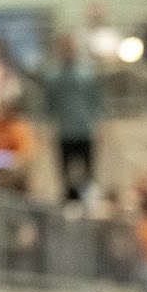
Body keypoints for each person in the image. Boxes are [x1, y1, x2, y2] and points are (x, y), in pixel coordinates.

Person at [42, 34, 102, 202]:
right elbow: (48, 105)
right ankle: (69, 201)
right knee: (65, 174)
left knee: (88, 173)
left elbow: (96, 101)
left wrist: (99, 125)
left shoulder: (87, 74)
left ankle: (88, 202)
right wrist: (48, 127)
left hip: (84, 131)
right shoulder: (53, 76)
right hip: (64, 133)